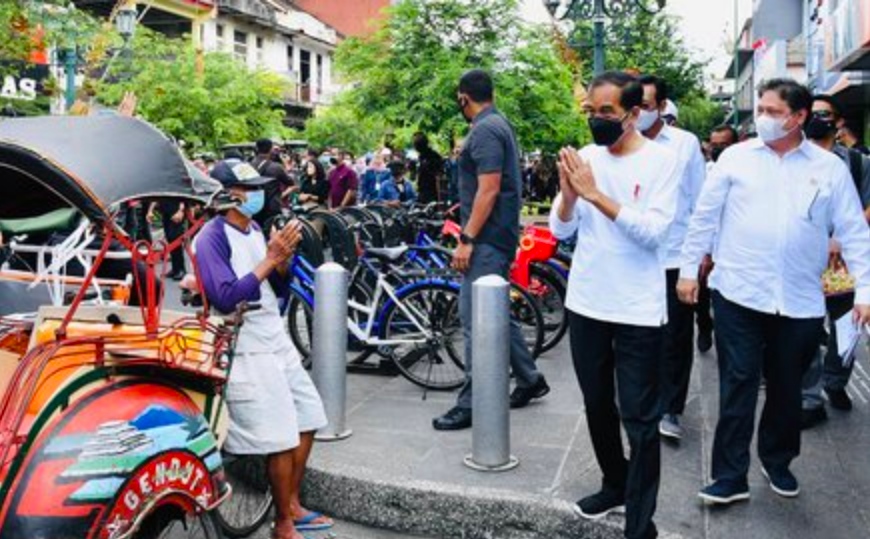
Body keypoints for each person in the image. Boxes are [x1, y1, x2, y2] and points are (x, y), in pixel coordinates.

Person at [678, 79, 870, 505]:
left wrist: (865, 292)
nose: (762, 117)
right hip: (738, 293)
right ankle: (729, 476)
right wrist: (690, 271)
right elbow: (704, 218)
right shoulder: (736, 159)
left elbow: (854, 232)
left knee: (786, 387)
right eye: (760, 109)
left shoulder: (829, 169)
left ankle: (777, 459)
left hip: (800, 299)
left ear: (799, 117)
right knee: (739, 381)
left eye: (771, 111)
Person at [550, 71, 678, 539]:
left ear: (634, 113)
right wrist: (567, 198)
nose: (597, 120)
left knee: (641, 419)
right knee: (597, 403)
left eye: (606, 112)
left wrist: (595, 195)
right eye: (591, 112)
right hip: (587, 302)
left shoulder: (662, 162)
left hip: (638, 309)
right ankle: (615, 481)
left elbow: (653, 232)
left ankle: (640, 525)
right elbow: (562, 231)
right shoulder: (584, 159)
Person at [195, 158, 332, 539]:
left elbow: (275, 291)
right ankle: (282, 523)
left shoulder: (254, 228)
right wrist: (271, 259)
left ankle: (290, 504)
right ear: (227, 195)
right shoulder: (211, 237)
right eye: (249, 189)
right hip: (247, 348)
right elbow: (224, 297)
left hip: (275, 338)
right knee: (280, 436)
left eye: (258, 187)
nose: (257, 194)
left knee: (309, 417)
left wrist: (282, 264)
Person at [432, 69, 549, 432]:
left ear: (463, 98)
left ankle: (472, 403)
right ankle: (530, 379)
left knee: (474, 322)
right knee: (496, 313)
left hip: (485, 241)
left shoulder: (484, 130)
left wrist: (466, 239)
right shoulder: (498, 124)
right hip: (496, 237)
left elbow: (489, 189)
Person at [636, 75, 706, 442]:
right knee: (638, 334)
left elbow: (700, 204)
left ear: (662, 107)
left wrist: (697, 261)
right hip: (634, 258)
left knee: (676, 337)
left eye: (646, 107)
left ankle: (670, 408)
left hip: (675, 257)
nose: (639, 114)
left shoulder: (684, 145)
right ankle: (640, 399)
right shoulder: (622, 142)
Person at [800, 94, 870, 429]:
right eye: (812, 114)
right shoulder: (795, 159)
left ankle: (836, 381)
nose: (818, 119)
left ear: (838, 121)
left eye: (825, 115)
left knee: (845, 323)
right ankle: (810, 398)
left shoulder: (855, 162)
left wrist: (842, 238)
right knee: (808, 327)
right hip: (805, 260)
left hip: (844, 261)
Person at [693, 124, 738, 354]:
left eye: (724, 145)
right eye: (715, 145)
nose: (718, 149)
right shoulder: (705, 172)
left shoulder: (745, 171)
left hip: (735, 250)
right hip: (708, 246)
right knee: (701, 294)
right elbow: (701, 215)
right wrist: (706, 252)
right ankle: (704, 326)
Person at [250, 139, 293, 229]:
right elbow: (290, 182)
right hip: (272, 208)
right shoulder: (276, 167)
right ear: (271, 149)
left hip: (254, 206)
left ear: (256, 149)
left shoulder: (248, 166)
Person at [147, 200, 187, 280]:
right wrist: (150, 210)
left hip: (176, 209)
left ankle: (181, 269)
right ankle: (175, 268)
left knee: (175, 239)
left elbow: (182, 196)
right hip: (166, 210)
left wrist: (181, 211)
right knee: (170, 239)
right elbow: (158, 194)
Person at [414, 132, 444, 204]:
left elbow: (438, 176)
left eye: (416, 144)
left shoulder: (433, 156)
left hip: (431, 193)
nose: (414, 147)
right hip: (423, 191)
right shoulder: (421, 157)